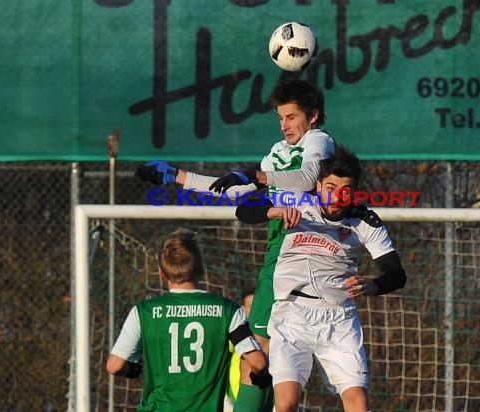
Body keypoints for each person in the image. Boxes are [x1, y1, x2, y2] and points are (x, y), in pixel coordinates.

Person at [135, 78, 335, 412]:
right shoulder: (277, 155)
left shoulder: (319, 142)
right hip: (280, 257)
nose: (284, 125)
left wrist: (254, 176)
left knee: (258, 360)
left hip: (298, 255)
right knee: (269, 365)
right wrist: (177, 177)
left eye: (291, 117)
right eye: (280, 118)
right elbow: (235, 191)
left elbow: (306, 178)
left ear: (312, 116)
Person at [235, 146, 407, 412]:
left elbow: (396, 275)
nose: (336, 196)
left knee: (358, 405)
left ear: (353, 192)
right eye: (330, 187)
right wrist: (276, 212)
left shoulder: (365, 222)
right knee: (287, 403)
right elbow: (244, 209)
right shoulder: (297, 201)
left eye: (345, 190)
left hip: (339, 319)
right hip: (292, 315)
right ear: (317, 185)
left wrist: (372, 285)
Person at [106, 228, 269, 412]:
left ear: (161, 272)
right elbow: (258, 363)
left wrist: (131, 370)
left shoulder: (143, 312)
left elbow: (114, 365)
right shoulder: (227, 310)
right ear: (201, 267)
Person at [225, 290, 255, 412]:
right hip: (235, 402)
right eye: (251, 307)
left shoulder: (273, 335)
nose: (255, 311)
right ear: (242, 309)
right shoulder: (235, 334)